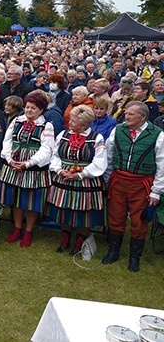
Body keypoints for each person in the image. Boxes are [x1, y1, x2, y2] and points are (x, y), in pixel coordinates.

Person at [103, 101, 164, 272]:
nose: (126, 116)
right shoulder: (119, 130)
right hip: (118, 180)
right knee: (116, 216)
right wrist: (108, 179)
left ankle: (134, 257)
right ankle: (113, 252)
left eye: (130, 114)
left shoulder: (158, 135)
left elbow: (162, 164)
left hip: (141, 183)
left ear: (143, 117)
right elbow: (109, 154)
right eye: (126, 113)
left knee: (139, 221)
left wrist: (156, 192)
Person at [46, 105, 107, 255]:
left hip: (85, 179)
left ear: (84, 124)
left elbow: (100, 162)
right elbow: (54, 155)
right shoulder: (63, 134)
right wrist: (59, 170)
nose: (70, 123)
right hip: (64, 177)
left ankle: (79, 241)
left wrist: (80, 174)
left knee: (83, 212)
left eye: (73, 121)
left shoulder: (96, 138)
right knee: (64, 210)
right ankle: (65, 239)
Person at [0, 90, 55, 247]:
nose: (29, 110)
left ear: (41, 110)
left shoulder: (46, 126)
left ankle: (28, 231)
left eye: (33, 108)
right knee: (16, 199)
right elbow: (7, 141)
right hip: (14, 165)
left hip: (32, 167)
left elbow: (47, 150)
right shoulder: (17, 121)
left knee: (31, 200)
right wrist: (9, 159)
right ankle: (17, 229)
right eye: (28, 107)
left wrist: (28, 163)